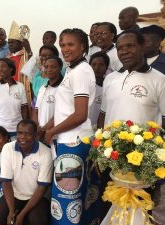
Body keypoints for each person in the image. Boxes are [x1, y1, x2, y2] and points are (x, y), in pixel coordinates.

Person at [96, 30, 165, 225]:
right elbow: (103, 115)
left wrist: (159, 156)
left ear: (143, 47)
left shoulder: (159, 80)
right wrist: (100, 148)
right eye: (120, 48)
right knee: (109, 204)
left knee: (140, 211)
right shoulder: (110, 80)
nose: (124, 51)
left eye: (130, 46)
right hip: (112, 156)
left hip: (142, 162)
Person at [44, 28, 96, 225]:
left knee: (68, 197)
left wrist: (53, 131)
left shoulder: (82, 71)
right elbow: (64, 109)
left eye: (70, 44)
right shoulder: (72, 70)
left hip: (74, 140)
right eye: (63, 45)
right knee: (69, 195)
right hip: (68, 139)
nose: (65, 49)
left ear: (83, 46)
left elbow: (80, 114)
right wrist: (48, 127)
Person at [0, 119, 53, 225]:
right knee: (0, 215)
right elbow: (6, 183)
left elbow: (41, 189)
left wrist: (21, 215)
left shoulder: (46, 153)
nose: (22, 137)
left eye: (27, 134)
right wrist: (12, 211)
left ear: (35, 135)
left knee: (37, 221)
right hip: (15, 194)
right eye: (20, 133)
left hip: (36, 197)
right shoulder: (7, 148)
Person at [0, 58, 28, 139]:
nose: (0, 69)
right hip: (0, 129)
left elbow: (24, 108)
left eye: (3, 67)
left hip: (17, 128)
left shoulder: (20, 86)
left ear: (11, 68)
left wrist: (24, 126)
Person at [32, 56, 63, 145]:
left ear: (60, 68)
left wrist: (44, 129)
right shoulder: (42, 88)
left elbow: (60, 114)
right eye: (46, 67)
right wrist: (36, 128)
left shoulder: (63, 88)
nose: (49, 69)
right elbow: (36, 110)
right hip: (40, 134)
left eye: (53, 67)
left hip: (55, 135)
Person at [8, 21, 32, 110]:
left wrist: (29, 50)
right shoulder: (7, 58)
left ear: (20, 43)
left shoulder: (26, 56)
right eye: (9, 43)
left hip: (22, 91)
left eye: (12, 42)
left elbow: (33, 68)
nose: (10, 45)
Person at [88, 52, 110, 128]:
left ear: (106, 67)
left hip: (102, 131)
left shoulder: (110, 86)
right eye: (93, 64)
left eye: (101, 65)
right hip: (83, 132)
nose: (97, 68)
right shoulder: (84, 86)